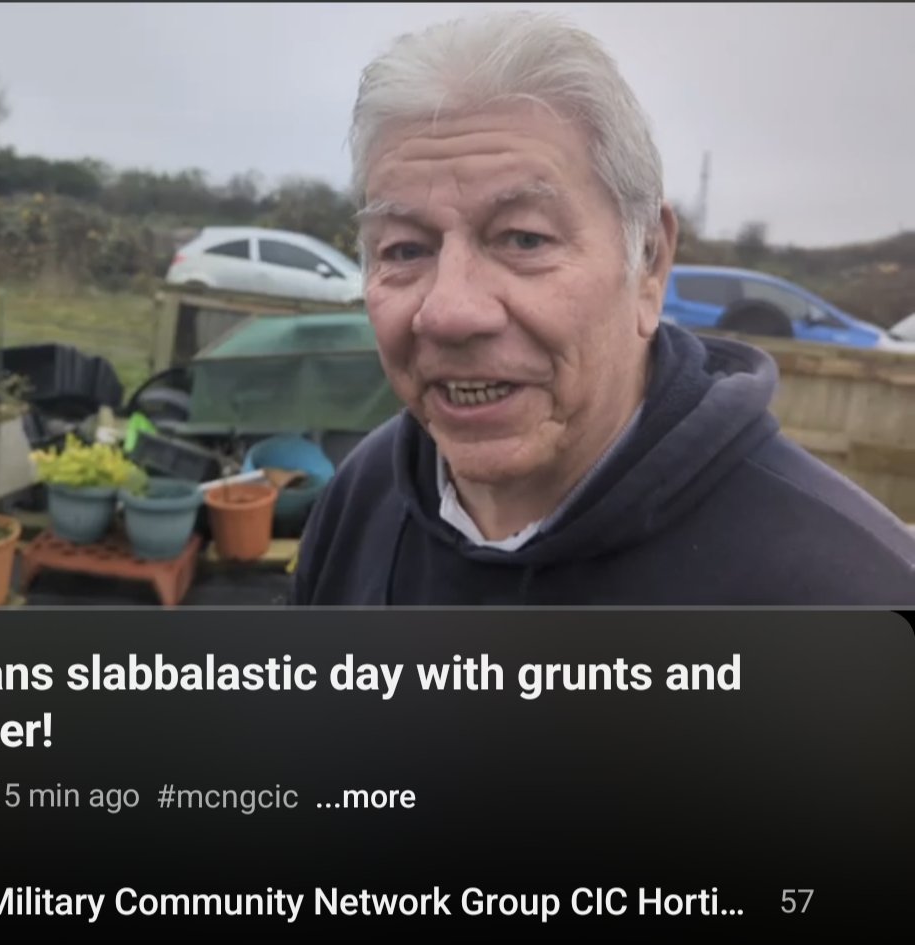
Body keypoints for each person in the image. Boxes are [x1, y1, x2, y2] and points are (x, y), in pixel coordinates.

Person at [291, 11, 915, 605]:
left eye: (524, 238)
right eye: (405, 248)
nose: (450, 312)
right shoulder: (363, 497)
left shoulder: (847, 593)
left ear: (647, 263)